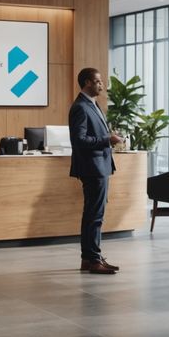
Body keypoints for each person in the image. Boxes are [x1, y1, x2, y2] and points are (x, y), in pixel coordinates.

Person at [69, 68, 124, 275]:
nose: (102, 85)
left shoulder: (93, 104)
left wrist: (108, 136)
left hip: (99, 166)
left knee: (95, 214)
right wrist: (107, 140)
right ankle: (93, 259)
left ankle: (90, 257)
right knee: (94, 215)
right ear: (86, 83)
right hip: (92, 168)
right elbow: (79, 140)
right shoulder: (80, 107)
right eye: (98, 81)